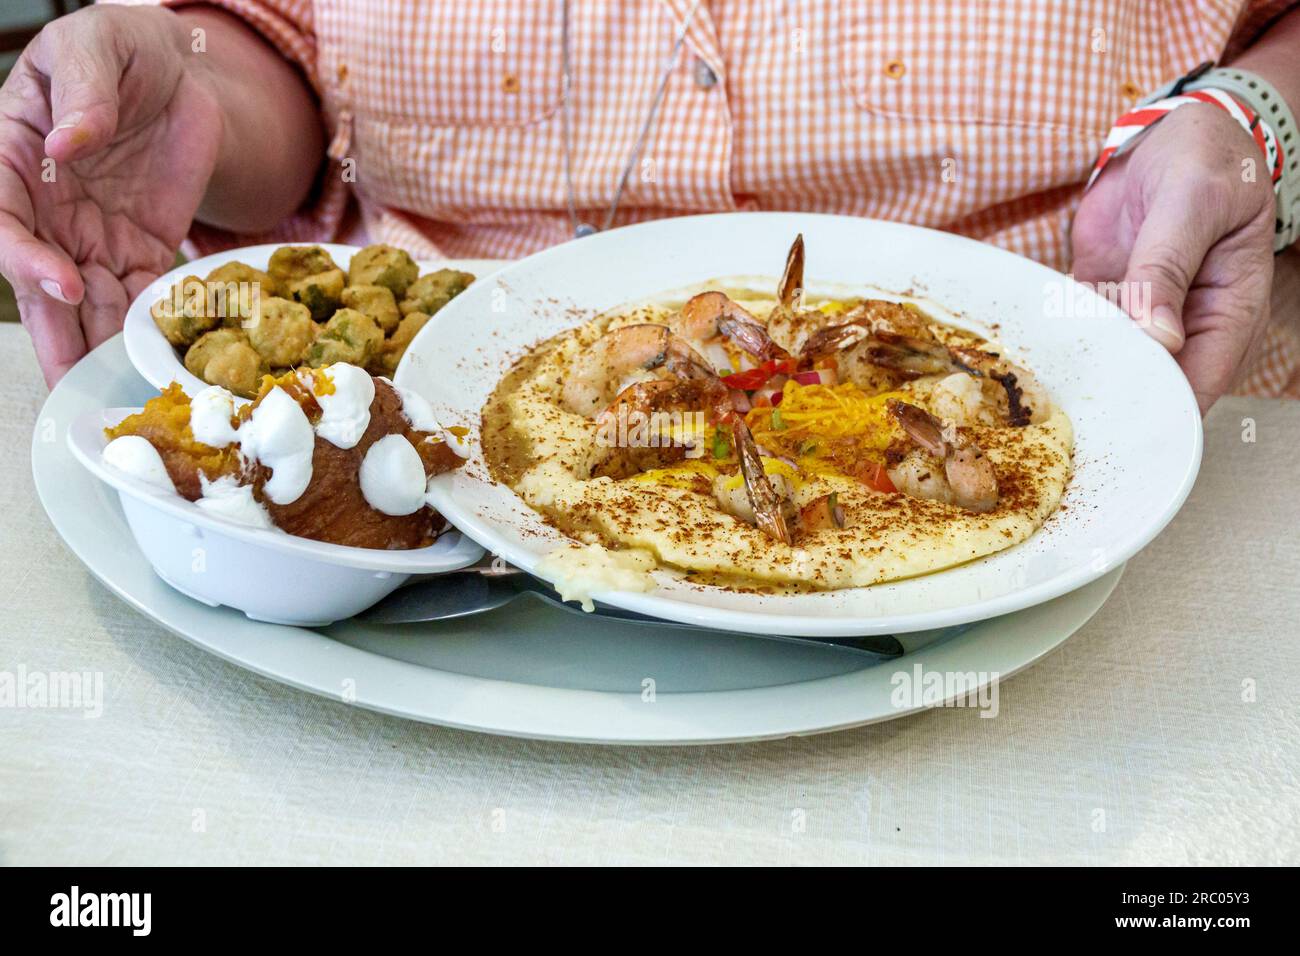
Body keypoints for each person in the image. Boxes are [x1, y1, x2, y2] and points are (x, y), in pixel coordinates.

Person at [0, 0, 1297, 413]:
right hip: (408, 487)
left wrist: (1257, 124)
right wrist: (198, 89)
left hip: (1088, 437)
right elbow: (285, 50)